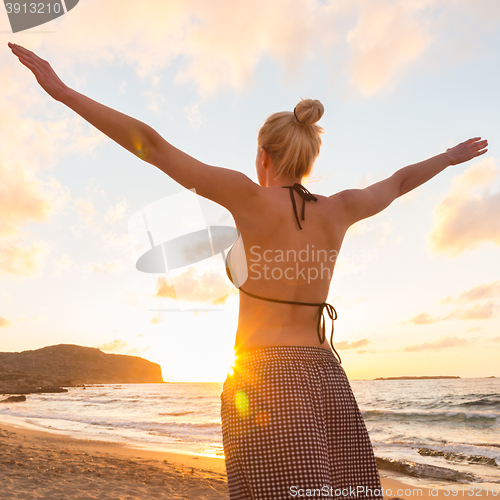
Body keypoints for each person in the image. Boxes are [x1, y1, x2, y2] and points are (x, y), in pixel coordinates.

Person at [8, 42, 488, 500]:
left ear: (263, 156)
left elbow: (151, 145)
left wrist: (65, 93)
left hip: (265, 379)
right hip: (328, 380)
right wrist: (448, 157)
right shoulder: (341, 208)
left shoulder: (247, 196)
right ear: (308, 157)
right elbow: (400, 182)